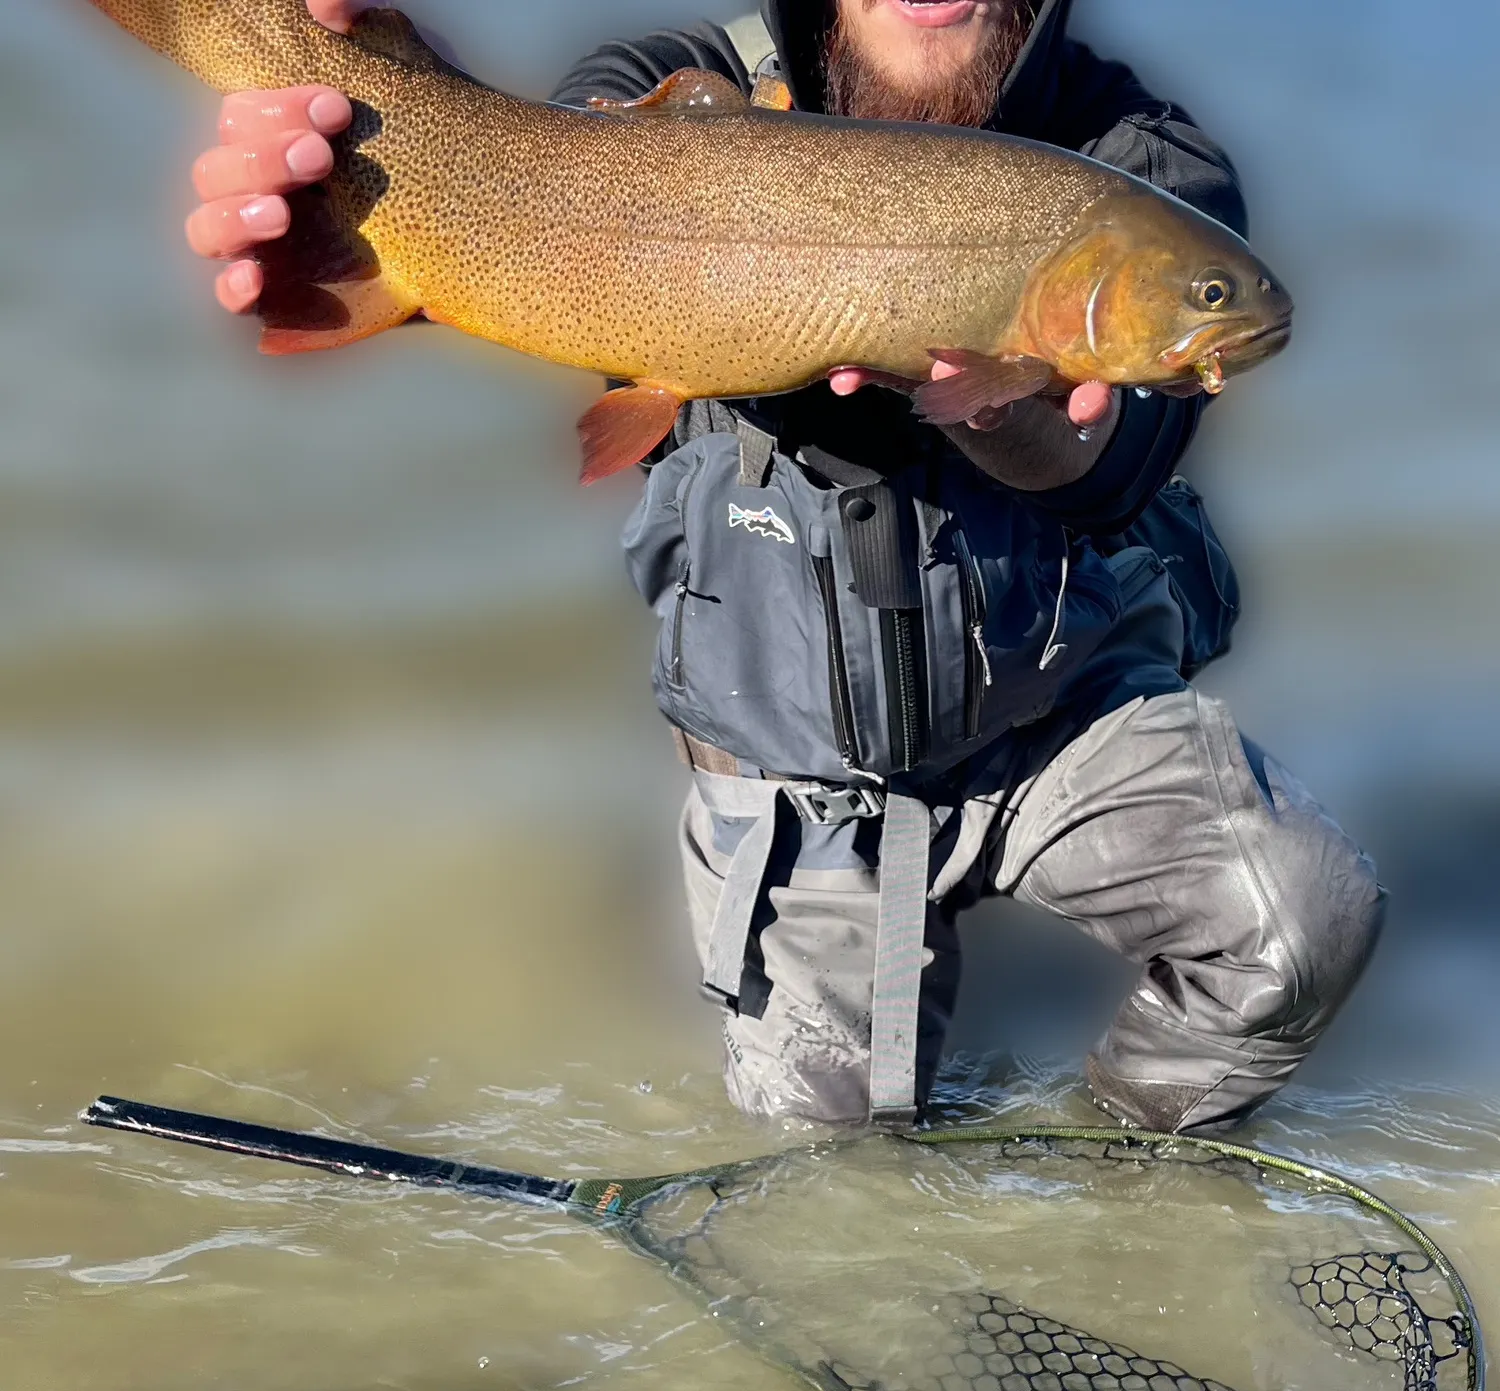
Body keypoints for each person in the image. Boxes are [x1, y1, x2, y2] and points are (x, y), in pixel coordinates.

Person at [180, 0, 1385, 1132]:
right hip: (793, 763)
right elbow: (536, 197)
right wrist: (374, 173)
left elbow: (1114, 464)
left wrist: (1008, 411)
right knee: (838, 1183)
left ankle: (1121, 1176)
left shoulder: (1142, 162)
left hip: (1059, 717)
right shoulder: (666, 85)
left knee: (1309, 920)